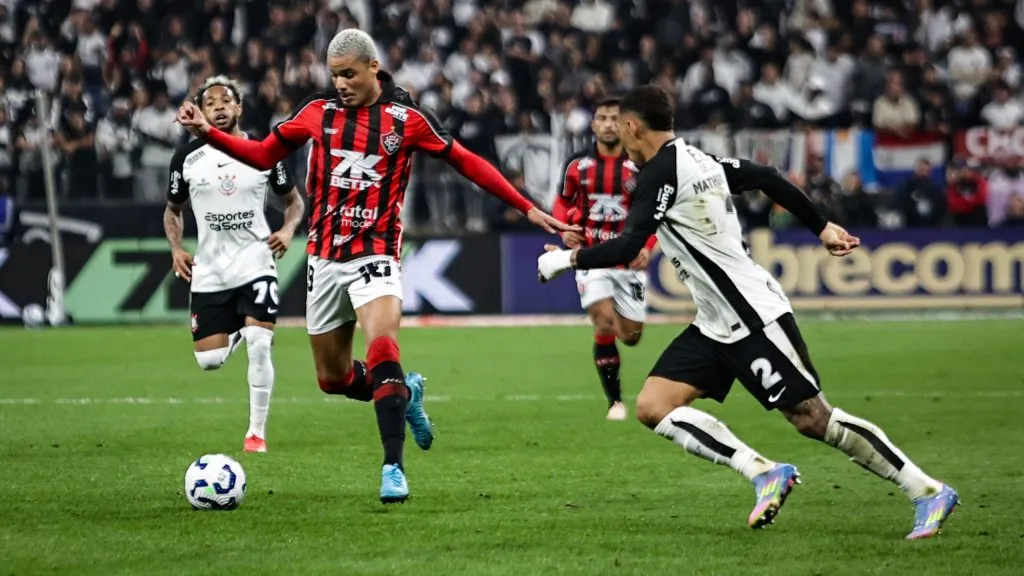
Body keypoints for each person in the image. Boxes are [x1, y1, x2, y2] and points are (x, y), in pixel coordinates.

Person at [537, 85, 959, 540]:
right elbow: (766, 176)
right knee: (654, 406)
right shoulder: (698, 160)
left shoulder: (659, 174)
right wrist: (820, 225)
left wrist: (566, 260)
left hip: (754, 316)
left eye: (619, 126)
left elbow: (629, 244)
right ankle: (763, 472)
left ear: (633, 126)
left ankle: (927, 489)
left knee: (813, 418)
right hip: (715, 322)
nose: (615, 134)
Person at [176, 29, 574, 503]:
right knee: (333, 378)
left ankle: (393, 469)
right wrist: (208, 134)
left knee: (384, 347)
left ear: (372, 68)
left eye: (348, 74)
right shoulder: (316, 114)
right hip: (323, 260)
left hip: (376, 254)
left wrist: (526, 207)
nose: (340, 83)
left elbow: (466, 162)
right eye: (334, 75)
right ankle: (404, 394)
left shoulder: (404, 120)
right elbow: (262, 154)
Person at [163, 76, 305, 454]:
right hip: (210, 269)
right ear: (202, 112)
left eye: (227, 100)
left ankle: (256, 433)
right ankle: (240, 330)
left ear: (239, 108)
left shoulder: (261, 151)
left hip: (256, 262)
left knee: (262, 343)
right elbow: (172, 211)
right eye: (211, 103)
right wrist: (176, 249)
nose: (220, 106)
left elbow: (294, 202)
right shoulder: (187, 160)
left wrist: (289, 230)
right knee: (209, 360)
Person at [553, 97, 657, 421]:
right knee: (602, 318)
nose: (609, 123)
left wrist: (648, 246)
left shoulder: (641, 164)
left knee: (630, 336)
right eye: (603, 118)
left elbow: (655, 211)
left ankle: (617, 335)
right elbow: (562, 202)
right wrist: (564, 230)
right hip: (591, 254)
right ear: (594, 125)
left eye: (616, 118)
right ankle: (615, 402)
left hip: (628, 259)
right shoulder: (577, 165)